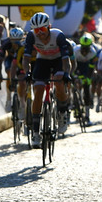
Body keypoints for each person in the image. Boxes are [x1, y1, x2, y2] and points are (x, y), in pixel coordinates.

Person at [22, 12, 72, 147]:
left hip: (58, 61)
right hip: (42, 60)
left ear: (49, 27)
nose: (40, 33)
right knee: (38, 90)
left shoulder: (58, 36)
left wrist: (66, 73)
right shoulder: (31, 37)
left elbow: (66, 60)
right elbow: (26, 58)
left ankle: (62, 114)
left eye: (42, 29)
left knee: (60, 82)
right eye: (36, 30)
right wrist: (27, 73)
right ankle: (36, 132)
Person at [73, 33, 98, 122]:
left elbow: (92, 67)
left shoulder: (93, 53)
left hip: (86, 67)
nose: (84, 50)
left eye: (86, 48)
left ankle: (87, 114)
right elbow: (72, 65)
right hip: (76, 66)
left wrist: (88, 77)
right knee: (74, 85)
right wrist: (74, 75)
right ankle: (75, 106)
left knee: (86, 88)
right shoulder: (75, 50)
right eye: (83, 47)